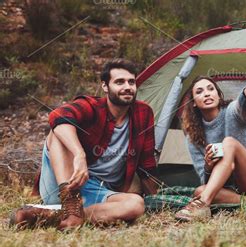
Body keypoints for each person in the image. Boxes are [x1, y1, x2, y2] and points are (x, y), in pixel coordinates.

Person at [10, 59, 159, 230]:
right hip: (66, 181)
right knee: (58, 132)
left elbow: (147, 164)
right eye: (119, 82)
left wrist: (156, 197)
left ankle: (54, 216)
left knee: (136, 205)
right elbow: (58, 116)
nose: (127, 87)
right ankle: (69, 204)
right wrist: (79, 155)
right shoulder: (91, 106)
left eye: (131, 82)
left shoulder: (143, 113)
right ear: (105, 86)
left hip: (98, 191)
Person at [175, 76, 246, 222]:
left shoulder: (231, 112)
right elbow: (206, 180)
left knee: (229, 143)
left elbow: (242, 109)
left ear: (218, 95)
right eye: (199, 91)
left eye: (211, 89)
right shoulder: (192, 136)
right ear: (194, 103)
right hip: (232, 190)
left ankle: (202, 204)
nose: (206, 93)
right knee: (200, 190)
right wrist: (208, 166)